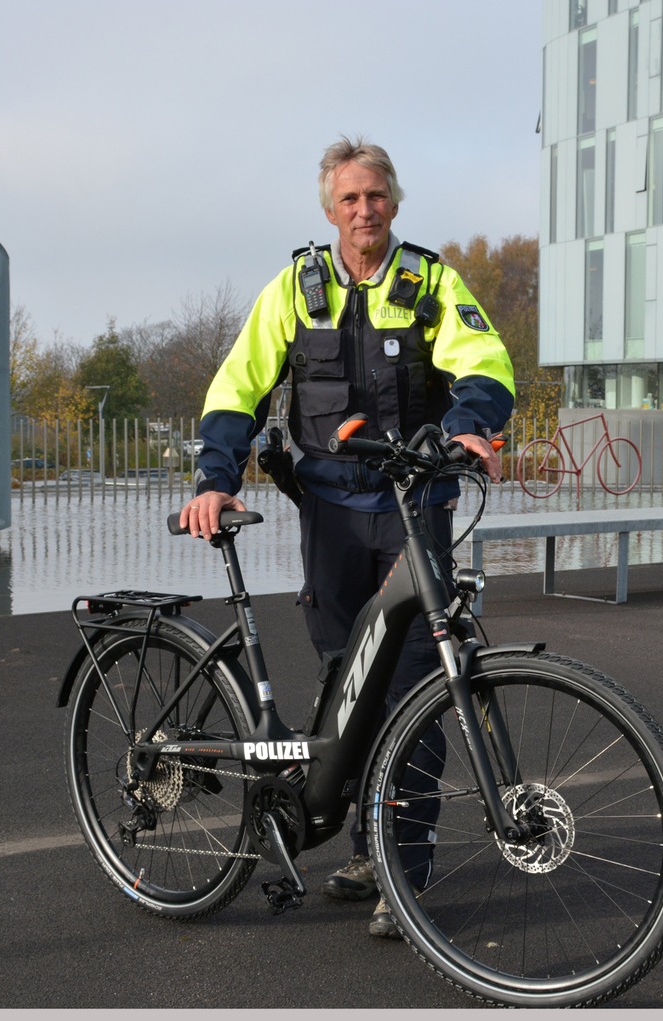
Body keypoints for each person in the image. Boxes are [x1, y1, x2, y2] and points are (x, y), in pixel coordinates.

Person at [179, 135, 515, 938]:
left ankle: (405, 866)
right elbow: (239, 385)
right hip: (328, 514)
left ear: (393, 202)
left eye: (376, 197)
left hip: (415, 506)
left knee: (413, 689)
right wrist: (215, 476)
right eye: (349, 200)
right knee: (344, 682)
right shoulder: (296, 289)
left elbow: (487, 364)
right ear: (330, 210)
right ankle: (365, 844)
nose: (364, 211)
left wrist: (469, 427)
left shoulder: (429, 281)